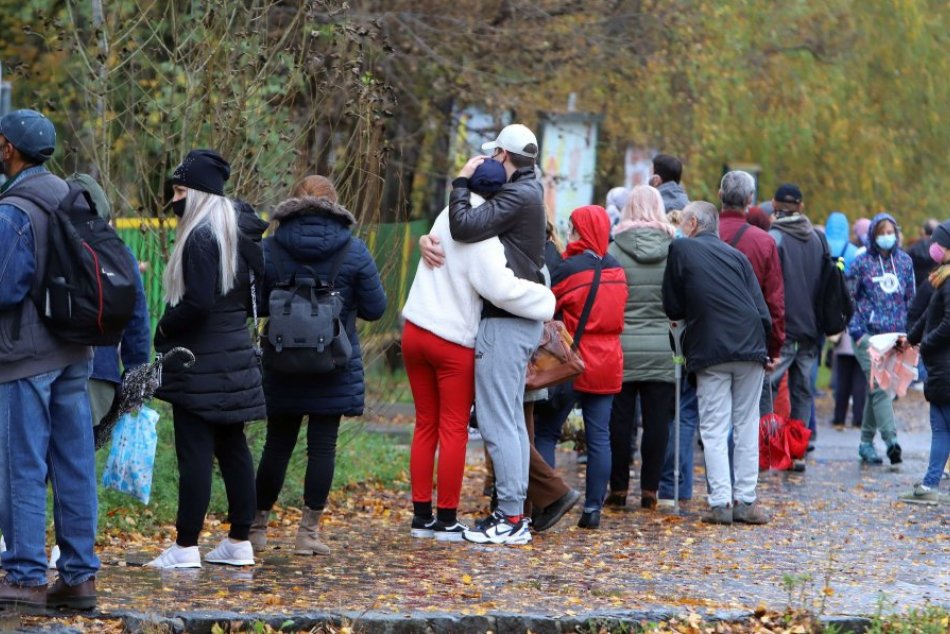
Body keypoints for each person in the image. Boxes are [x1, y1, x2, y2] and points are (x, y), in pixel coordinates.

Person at [401, 161, 556, 541]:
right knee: (453, 428)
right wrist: (546, 299)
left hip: (415, 330)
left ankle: (421, 517)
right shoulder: (483, 237)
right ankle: (447, 519)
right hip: (451, 340)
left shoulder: (443, 218)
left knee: (424, 424)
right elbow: (500, 289)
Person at [249, 175, 386, 555]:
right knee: (322, 447)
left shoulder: (270, 248)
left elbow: (254, 305)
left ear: (292, 202)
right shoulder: (354, 250)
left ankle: (258, 528)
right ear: (335, 203)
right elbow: (376, 309)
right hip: (334, 362)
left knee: (277, 445)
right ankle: (307, 535)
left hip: (282, 360)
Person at [0, 109, 100, 610]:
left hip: (26, 354)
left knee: (22, 463)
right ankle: (79, 577)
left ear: (9, 148)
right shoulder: (70, 196)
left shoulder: (14, 209)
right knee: (73, 461)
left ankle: (24, 576)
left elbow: (4, 286)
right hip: (74, 349)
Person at [147, 149, 266, 569]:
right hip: (235, 358)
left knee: (194, 453)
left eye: (180, 190)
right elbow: (261, 297)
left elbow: (196, 303)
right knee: (234, 448)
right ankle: (239, 541)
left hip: (199, 362)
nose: (174, 198)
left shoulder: (200, 238)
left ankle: (184, 547)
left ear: (198, 194)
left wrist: (164, 328)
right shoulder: (241, 234)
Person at [662, 201, 771, 525]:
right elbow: (761, 308)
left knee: (713, 427)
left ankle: (721, 503)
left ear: (693, 222)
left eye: (683, 220)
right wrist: (766, 349)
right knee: (747, 424)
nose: (681, 226)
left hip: (710, 347)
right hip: (751, 346)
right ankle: (747, 501)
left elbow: (672, 304)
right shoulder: (737, 257)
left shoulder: (681, 249)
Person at [534, 205, 627, 528]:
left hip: (570, 362)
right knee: (600, 436)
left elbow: (547, 307)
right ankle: (592, 510)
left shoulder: (568, 269)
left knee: (546, 431)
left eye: (573, 229)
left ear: (582, 232)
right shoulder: (618, 270)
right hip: (608, 361)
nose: (570, 235)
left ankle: (543, 503)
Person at [604, 186, 675, 510]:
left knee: (620, 421)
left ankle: (618, 488)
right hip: (662, 347)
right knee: (658, 422)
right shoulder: (674, 249)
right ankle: (650, 490)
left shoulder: (615, 249)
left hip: (623, 346)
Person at [70, 174, 152, 431]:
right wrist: (135, 378)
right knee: (78, 460)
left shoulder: (47, 242)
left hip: (48, 372)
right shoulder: (117, 251)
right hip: (101, 376)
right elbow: (137, 317)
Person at [847, 213, 915, 466]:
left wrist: (910, 333)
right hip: (867, 334)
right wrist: (857, 331)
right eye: (881, 232)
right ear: (873, 235)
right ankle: (891, 441)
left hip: (896, 336)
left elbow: (911, 298)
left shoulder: (905, 262)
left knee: (877, 389)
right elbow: (848, 297)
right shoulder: (861, 263)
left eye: (890, 232)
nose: (887, 237)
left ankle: (865, 443)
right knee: (882, 387)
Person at [716, 172, 785, 412]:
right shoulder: (764, 242)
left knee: (713, 421)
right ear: (750, 199)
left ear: (720, 196)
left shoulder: (700, 237)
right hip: (751, 340)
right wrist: (774, 348)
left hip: (708, 337)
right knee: (747, 418)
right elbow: (774, 300)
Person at [767, 184, 825, 450]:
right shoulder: (816, 239)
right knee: (803, 392)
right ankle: (797, 453)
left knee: (767, 387)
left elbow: (771, 288)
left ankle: (766, 446)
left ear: (774, 204)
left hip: (784, 329)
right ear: (801, 207)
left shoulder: (774, 239)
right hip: (811, 330)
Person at [901, 220, 950, 504]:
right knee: (941, 426)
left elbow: (946, 324)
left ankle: (931, 484)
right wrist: (910, 339)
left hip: (944, 368)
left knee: (942, 426)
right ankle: (930, 484)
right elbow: (928, 316)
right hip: (941, 368)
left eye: (939, 244)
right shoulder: (940, 280)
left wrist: (926, 342)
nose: (934, 248)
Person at [826, 212, 866, 430]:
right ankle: (858, 416)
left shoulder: (823, 246)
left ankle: (839, 415)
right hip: (857, 319)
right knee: (859, 372)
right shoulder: (852, 251)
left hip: (838, 316)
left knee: (842, 373)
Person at [908, 218, 940, 290]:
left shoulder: (912, 248)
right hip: (935, 288)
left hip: (916, 289)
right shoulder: (941, 249)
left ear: (924, 231)